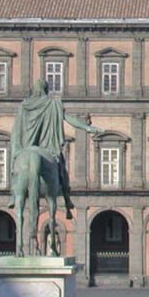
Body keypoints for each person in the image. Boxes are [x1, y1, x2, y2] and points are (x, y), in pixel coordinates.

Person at [9, 79, 100, 220]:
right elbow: (68, 118)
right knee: (61, 168)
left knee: (16, 163)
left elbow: (17, 130)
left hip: (26, 145)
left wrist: (18, 145)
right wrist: (87, 127)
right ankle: (67, 198)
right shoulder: (53, 104)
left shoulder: (25, 105)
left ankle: (13, 193)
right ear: (46, 89)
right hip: (48, 147)